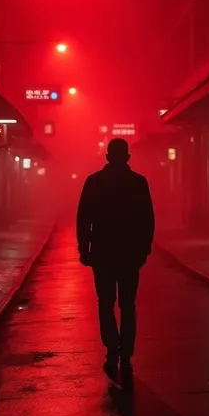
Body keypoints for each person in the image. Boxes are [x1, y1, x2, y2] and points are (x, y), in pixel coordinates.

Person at [76, 138, 155, 384]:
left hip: (103, 254)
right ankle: (126, 356)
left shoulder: (94, 182)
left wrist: (85, 248)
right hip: (130, 255)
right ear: (128, 157)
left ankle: (112, 351)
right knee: (128, 305)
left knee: (106, 303)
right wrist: (144, 250)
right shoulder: (139, 183)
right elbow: (147, 220)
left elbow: (83, 218)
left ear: (107, 156)